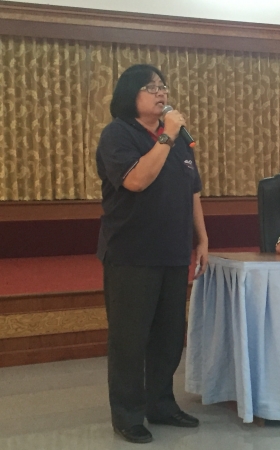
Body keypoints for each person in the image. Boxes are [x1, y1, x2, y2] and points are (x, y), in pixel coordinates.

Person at [95, 64, 209, 444]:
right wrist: (167, 136)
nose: (161, 93)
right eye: (151, 87)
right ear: (131, 95)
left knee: (168, 337)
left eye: (163, 86)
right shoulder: (118, 134)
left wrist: (202, 239)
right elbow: (136, 180)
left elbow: (193, 191)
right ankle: (127, 415)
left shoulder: (177, 141)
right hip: (132, 254)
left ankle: (161, 404)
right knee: (129, 340)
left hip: (173, 252)